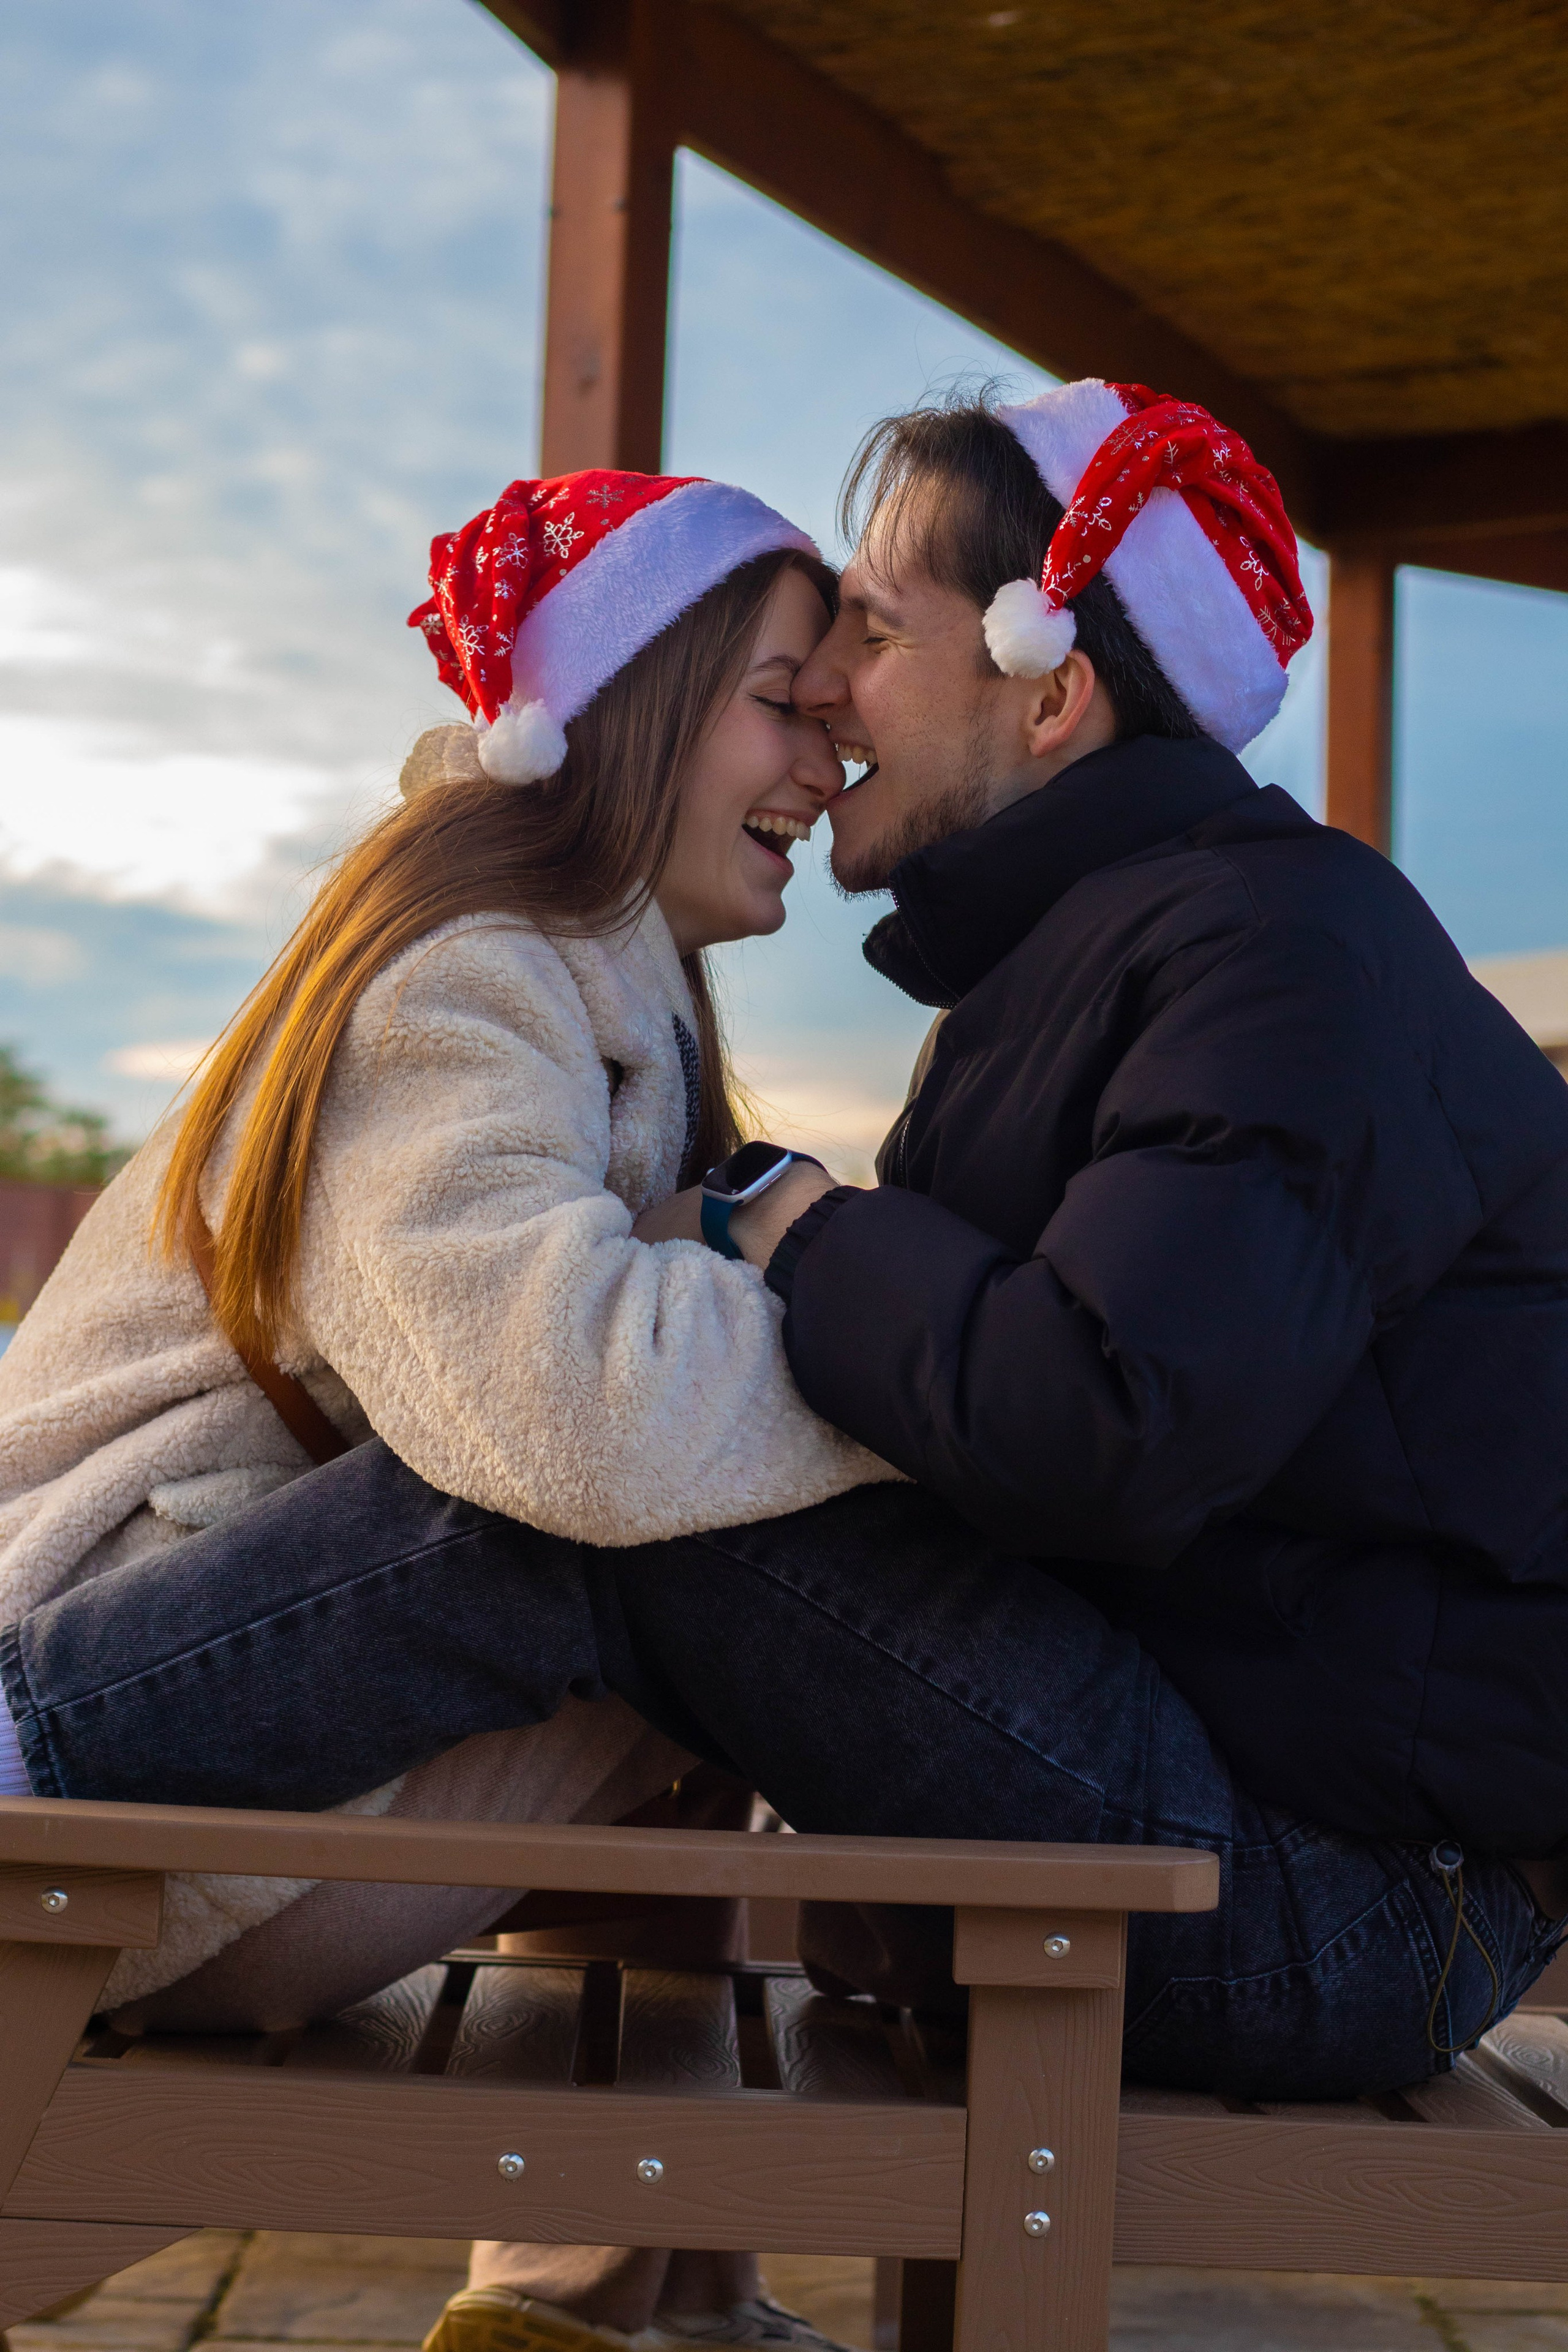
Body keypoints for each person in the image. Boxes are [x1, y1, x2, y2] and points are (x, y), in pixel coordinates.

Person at [7, 381, 1568, 2140]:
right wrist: (776, 1266)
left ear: (1053, 688)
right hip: (1242, 1810)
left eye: (877, 634)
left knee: (606, 1458)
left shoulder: (1281, 951)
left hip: (1340, 1896)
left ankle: (35, 1746)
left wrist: (804, 1231)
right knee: (614, 1444)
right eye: (791, 677)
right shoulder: (1090, 969)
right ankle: (584, 2287)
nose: (833, 693)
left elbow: (1105, 1412)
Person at [0, 464, 899, 2352]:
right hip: (116, 1795)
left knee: (690, 1533)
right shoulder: (463, 967)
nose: (830, 755)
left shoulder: (602, 999)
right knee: (611, 1504)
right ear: (630, 702)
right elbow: (561, 1416)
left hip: (271, 1775)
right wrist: (941, 1364)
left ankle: (620, 2301)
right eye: (782, 695)